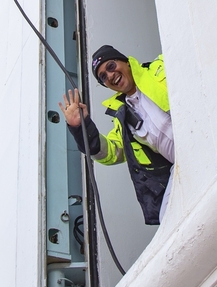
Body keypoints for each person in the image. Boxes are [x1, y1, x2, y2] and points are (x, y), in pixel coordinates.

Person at [59, 45, 174, 225]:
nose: (110, 75)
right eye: (103, 77)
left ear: (125, 62)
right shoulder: (123, 118)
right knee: (169, 221)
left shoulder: (161, 66)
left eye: (111, 66)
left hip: (210, 133)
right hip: (181, 165)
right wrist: (81, 127)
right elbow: (110, 152)